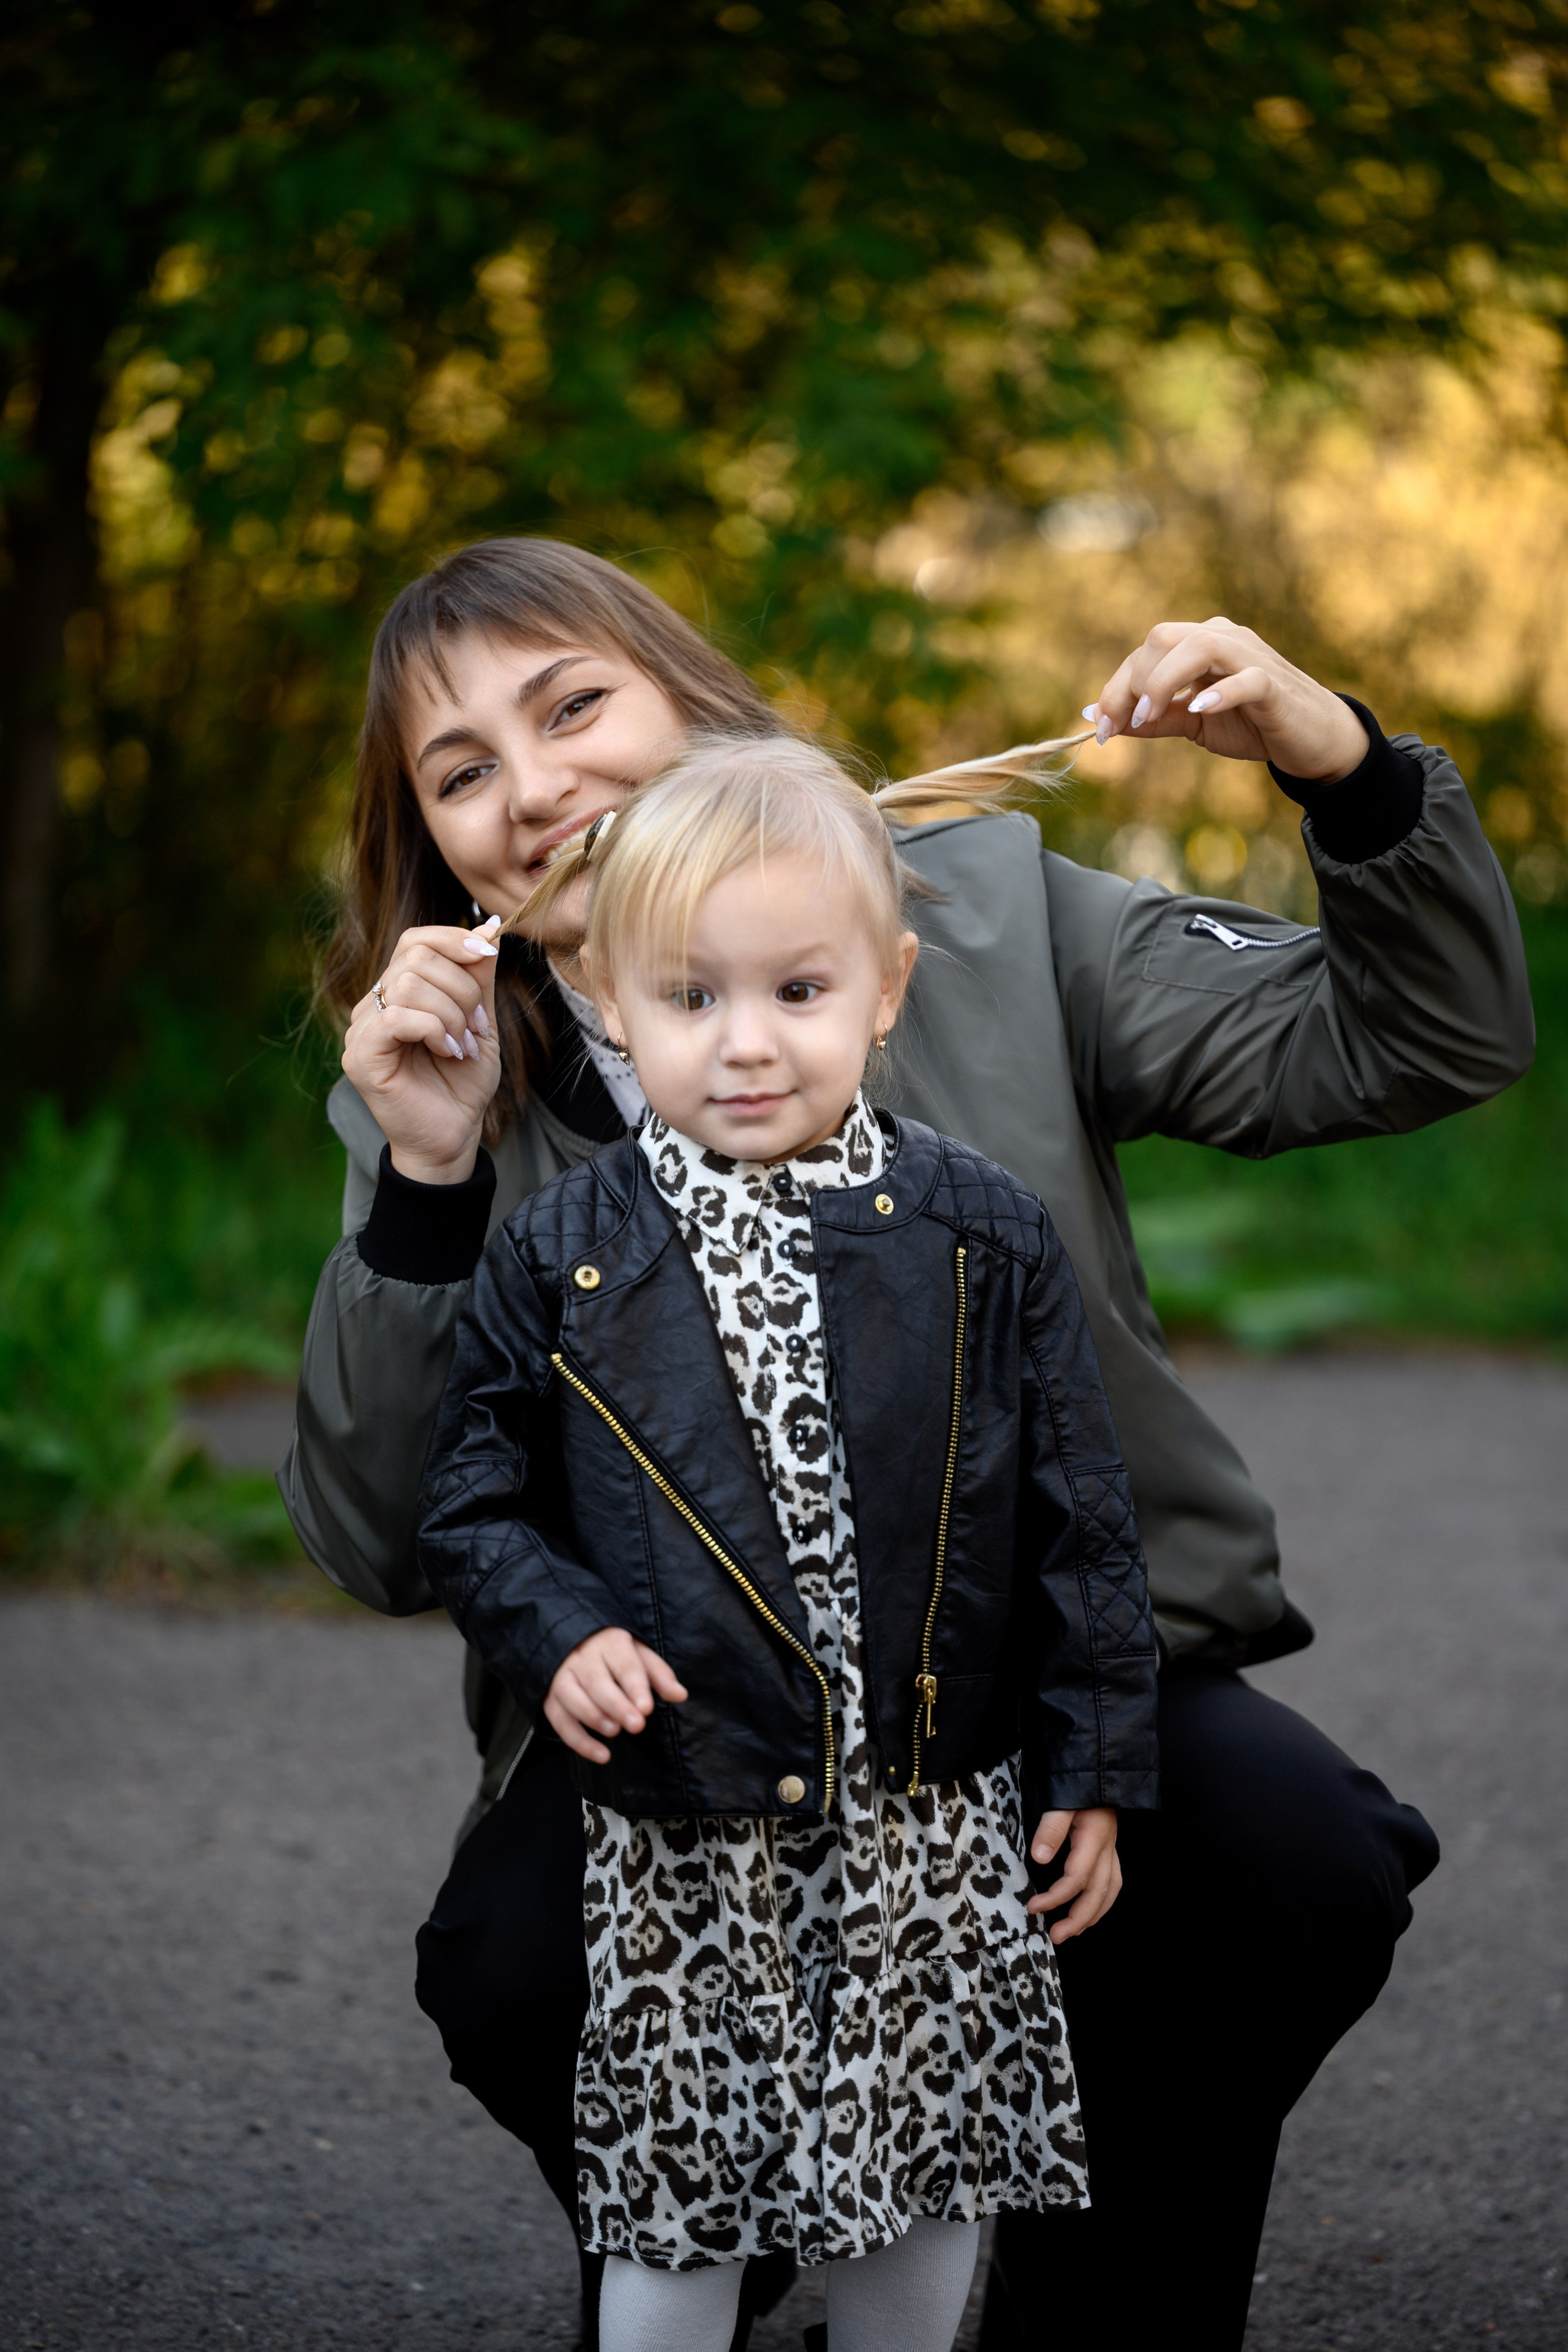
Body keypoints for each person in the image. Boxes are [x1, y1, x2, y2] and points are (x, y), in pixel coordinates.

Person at [279, 537, 1533, 2350]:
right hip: (682, 1739)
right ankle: (758, 2207)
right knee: (515, 1967)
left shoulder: (985, 913)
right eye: (462, 771)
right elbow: (393, 1543)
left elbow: (1430, 1036)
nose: (531, 786)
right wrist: (423, 1185)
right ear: (436, 852)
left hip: (1027, 1690)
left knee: (1287, 1860)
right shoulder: (446, 1095)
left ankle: (1080, 2292)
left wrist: (1344, 766)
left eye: (573, 707)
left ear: (694, 710)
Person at [415, 737, 1161, 2352]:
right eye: (691, 999)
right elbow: (469, 1500)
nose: (747, 1045)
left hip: (932, 1814)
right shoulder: (566, 1249)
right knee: (683, 2179)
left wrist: (1093, 1757)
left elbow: (1081, 1520)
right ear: (610, 1001)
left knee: (928, 2165)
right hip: (692, 1814)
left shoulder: (984, 1232)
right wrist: (560, 1632)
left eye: (799, 993)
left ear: (885, 990)